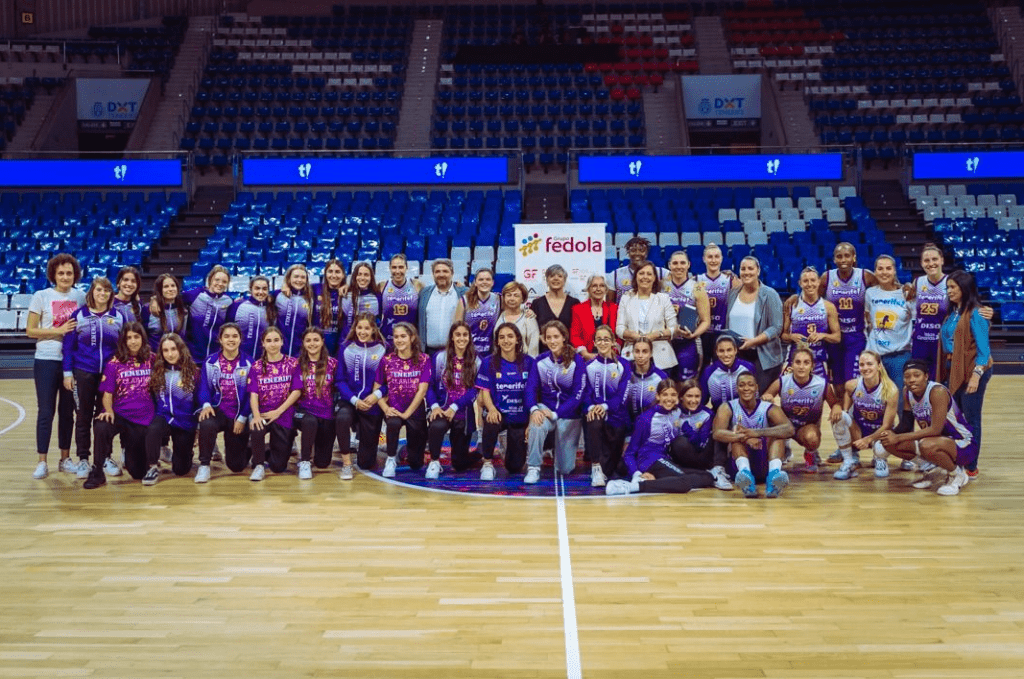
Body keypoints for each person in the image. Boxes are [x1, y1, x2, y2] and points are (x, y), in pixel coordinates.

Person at [877, 360, 976, 496]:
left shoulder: (937, 392)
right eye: (907, 376)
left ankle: (957, 475)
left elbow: (935, 430)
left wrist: (897, 437)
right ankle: (932, 470)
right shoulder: (907, 392)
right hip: (935, 440)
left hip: (964, 443)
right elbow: (906, 424)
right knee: (889, 443)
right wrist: (884, 436)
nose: (911, 380)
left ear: (926, 376)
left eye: (916, 375)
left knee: (926, 444)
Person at [27, 253, 86, 479]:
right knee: (46, 411)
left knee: (67, 412)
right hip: (46, 360)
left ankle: (65, 459)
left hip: (71, 362)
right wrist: (58, 331)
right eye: (61, 273)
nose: (65, 277)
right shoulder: (41, 296)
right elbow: (31, 330)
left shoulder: (81, 296)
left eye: (69, 273)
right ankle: (42, 461)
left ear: (75, 275)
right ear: (53, 274)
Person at [63, 277, 127, 479]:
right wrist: (67, 372)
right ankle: (83, 459)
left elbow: (124, 346)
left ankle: (105, 457)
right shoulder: (79, 315)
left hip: (108, 375)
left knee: (105, 416)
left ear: (111, 294)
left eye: (106, 290)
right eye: (99, 290)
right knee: (82, 416)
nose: (102, 293)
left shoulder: (118, 316)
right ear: (92, 292)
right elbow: (68, 346)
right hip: (83, 372)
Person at [606, 379, 716, 495]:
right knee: (684, 482)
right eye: (665, 394)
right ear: (658, 396)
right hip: (649, 461)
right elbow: (629, 453)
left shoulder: (676, 412)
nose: (669, 399)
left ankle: (659, 481)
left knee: (707, 477)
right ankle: (633, 486)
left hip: (665, 460)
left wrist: (686, 426)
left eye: (673, 394)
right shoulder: (646, 419)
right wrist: (636, 473)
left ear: (677, 397)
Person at [86, 323, 155, 488]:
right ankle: (97, 471)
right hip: (120, 415)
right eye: (128, 338)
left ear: (142, 338)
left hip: (143, 419)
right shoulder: (114, 363)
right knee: (101, 425)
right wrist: (108, 410)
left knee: (137, 473)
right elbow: (107, 393)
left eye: (136, 337)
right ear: (123, 341)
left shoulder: (152, 359)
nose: (133, 341)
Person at [938, 270, 991, 477]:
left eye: (953, 287)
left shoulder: (976, 313)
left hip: (972, 370)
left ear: (965, 288)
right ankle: (959, 457)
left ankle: (971, 466)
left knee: (971, 418)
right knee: (956, 418)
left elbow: (984, 351)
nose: (949, 291)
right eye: (948, 287)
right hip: (954, 368)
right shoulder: (953, 312)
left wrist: (976, 376)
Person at [712, 372, 795, 498]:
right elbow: (717, 433)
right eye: (742, 385)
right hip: (738, 466)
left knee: (778, 435)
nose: (746, 388)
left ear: (756, 388)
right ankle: (746, 478)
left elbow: (789, 429)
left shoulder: (768, 408)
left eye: (750, 385)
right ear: (736, 388)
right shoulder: (728, 407)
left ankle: (774, 477)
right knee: (735, 436)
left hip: (765, 464)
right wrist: (745, 437)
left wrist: (757, 433)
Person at [524, 320, 587, 484]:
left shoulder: (577, 361)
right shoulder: (540, 361)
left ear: (564, 337)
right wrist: (534, 409)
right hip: (545, 408)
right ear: (544, 339)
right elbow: (530, 388)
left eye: (556, 337)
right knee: (537, 421)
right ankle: (533, 467)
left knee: (565, 469)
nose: (552, 341)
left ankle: (554, 446)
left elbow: (578, 395)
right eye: (548, 337)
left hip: (569, 414)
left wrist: (556, 414)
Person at [476, 322, 535, 480]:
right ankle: (487, 463)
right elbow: (485, 390)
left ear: (517, 339)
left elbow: (534, 394)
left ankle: (509, 447)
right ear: (497, 341)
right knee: (491, 421)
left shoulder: (529, 362)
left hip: (520, 417)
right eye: (501, 337)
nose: (506, 340)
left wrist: (530, 423)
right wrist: (491, 408)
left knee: (514, 467)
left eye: (510, 336)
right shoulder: (488, 362)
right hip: (499, 413)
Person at [829, 350, 900, 480]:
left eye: (869, 364)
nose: (865, 368)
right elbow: (846, 408)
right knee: (839, 416)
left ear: (879, 366)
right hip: (859, 431)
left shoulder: (891, 390)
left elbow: (887, 425)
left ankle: (880, 459)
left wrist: (868, 439)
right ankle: (849, 460)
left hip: (880, 434)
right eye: (862, 365)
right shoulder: (852, 385)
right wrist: (841, 410)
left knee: (882, 451)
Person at [761, 347, 835, 472]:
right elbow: (765, 399)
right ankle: (780, 451)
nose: (801, 366)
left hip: (805, 428)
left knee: (812, 437)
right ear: (791, 365)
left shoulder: (821, 384)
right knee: (771, 425)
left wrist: (837, 407)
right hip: (785, 426)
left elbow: (835, 403)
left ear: (812, 366)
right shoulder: (782, 381)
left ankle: (810, 454)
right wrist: (767, 397)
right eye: (798, 362)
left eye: (806, 363)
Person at [196, 322, 254, 481]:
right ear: (220, 340)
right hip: (218, 409)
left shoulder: (249, 363)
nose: (231, 340)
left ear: (240, 339)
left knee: (236, 466)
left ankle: (253, 448)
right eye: (226, 336)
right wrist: (206, 404)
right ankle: (204, 465)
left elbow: (251, 395)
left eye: (235, 336)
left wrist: (243, 417)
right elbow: (203, 387)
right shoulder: (210, 361)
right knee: (206, 422)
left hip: (238, 414)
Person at [375, 322, 432, 478]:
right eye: (396, 337)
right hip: (394, 408)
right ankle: (391, 458)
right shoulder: (386, 360)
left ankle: (404, 451)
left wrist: (407, 414)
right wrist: (385, 408)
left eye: (403, 336)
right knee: (393, 423)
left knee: (416, 463)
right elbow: (376, 389)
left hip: (415, 411)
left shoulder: (424, 359)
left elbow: (422, 390)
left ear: (412, 338)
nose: (399, 340)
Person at [426, 321, 481, 477]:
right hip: (442, 410)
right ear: (451, 337)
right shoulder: (439, 358)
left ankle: (481, 452)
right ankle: (434, 462)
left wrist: (455, 407)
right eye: (457, 335)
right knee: (436, 426)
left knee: (459, 464)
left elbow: (474, 391)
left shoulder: (477, 361)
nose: (461, 338)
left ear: (469, 337)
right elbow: (429, 386)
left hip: (463, 414)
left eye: (465, 335)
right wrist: (434, 406)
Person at [247, 326, 302, 481]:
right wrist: (256, 416)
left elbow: (297, 391)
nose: (273, 344)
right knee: (257, 427)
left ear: (282, 342)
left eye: (276, 340)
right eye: (269, 340)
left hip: (283, 414)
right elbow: (253, 394)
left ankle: (261, 449)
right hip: (264, 413)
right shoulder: (256, 366)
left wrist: (278, 412)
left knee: (278, 467)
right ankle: (258, 465)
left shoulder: (293, 363)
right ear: (263, 343)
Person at [335, 313, 387, 477]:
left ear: (374, 330)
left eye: (367, 328)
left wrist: (376, 395)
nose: (362, 332)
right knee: (342, 418)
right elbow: (339, 380)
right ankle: (346, 463)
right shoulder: (346, 348)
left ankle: (364, 441)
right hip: (350, 401)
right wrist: (354, 400)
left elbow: (391, 380)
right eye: (359, 328)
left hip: (372, 404)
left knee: (366, 464)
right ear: (354, 328)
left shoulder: (384, 349)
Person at [144, 333, 199, 484]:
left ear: (181, 349)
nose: (170, 354)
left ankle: (186, 453)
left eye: (173, 349)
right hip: (164, 417)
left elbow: (199, 401)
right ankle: (152, 467)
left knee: (181, 470)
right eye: (165, 350)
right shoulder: (158, 371)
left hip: (185, 422)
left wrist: (197, 429)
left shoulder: (194, 372)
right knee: (153, 428)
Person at [820, 242, 876, 386]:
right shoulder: (827, 277)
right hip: (834, 337)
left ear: (854, 257)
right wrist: (795, 297)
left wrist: (904, 287)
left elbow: (886, 287)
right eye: (839, 256)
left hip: (856, 336)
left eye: (847, 256)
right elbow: (812, 297)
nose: (843, 260)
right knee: (837, 382)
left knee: (853, 381)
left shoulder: (865, 276)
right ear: (834, 259)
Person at [726, 256, 784, 393]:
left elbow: (776, 327)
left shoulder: (770, 294)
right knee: (738, 396)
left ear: (758, 271)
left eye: (750, 268)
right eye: (743, 269)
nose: (746, 272)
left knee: (756, 397)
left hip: (763, 357)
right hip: (737, 355)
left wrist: (753, 341)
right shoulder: (733, 293)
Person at [582, 324, 630, 487]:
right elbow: (585, 392)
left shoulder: (623, 365)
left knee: (613, 469)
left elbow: (622, 395)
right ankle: (595, 468)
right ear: (594, 343)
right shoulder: (589, 366)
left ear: (613, 342)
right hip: (597, 415)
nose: (602, 343)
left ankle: (604, 467)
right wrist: (591, 407)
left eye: (606, 339)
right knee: (593, 419)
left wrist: (605, 406)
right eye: (599, 340)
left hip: (617, 416)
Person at [865, 255, 914, 399]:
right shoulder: (870, 293)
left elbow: (916, 320)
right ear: (875, 271)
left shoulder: (906, 293)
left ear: (894, 271)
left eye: (888, 268)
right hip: (875, 356)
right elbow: (868, 318)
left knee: (899, 400)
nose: (884, 272)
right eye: (880, 269)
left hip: (900, 356)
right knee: (875, 399)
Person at [294, 327, 339, 480]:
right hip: (304, 412)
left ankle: (315, 451)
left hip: (326, 414)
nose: (312, 343)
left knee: (322, 463)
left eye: (316, 340)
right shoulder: (296, 364)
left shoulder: (333, 364)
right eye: (308, 340)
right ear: (303, 343)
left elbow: (339, 387)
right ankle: (305, 461)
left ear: (322, 342)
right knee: (310, 422)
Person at [616, 260, 677, 372]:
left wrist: (656, 334)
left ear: (654, 278)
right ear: (635, 277)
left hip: (661, 356)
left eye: (649, 274)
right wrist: (634, 336)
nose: (645, 277)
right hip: (632, 354)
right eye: (641, 273)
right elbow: (619, 328)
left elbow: (674, 328)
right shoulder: (626, 298)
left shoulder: (663, 298)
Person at [781, 267, 841, 378]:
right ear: (800, 283)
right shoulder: (791, 305)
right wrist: (791, 337)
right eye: (805, 281)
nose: (809, 284)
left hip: (818, 359)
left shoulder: (828, 307)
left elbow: (837, 337)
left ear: (819, 282)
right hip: (794, 359)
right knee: (785, 388)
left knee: (821, 389)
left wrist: (822, 335)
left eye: (813, 280)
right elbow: (783, 335)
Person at [663, 249, 711, 380]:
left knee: (685, 383)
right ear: (669, 265)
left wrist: (693, 335)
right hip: (665, 341)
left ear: (688, 264)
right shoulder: (661, 286)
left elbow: (706, 321)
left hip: (688, 343)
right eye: (675, 263)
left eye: (682, 263)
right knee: (665, 382)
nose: (679, 266)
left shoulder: (697, 288)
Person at [697, 243, 740, 368]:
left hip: (724, 332)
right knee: (703, 368)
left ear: (721, 258)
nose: (713, 260)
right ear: (704, 259)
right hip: (703, 333)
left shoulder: (731, 280)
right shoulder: (697, 280)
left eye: (716, 256)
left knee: (724, 366)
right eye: (710, 257)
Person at [182, 265, 232, 363]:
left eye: (224, 281)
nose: (220, 284)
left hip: (216, 357)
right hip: (193, 356)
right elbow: (172, 297)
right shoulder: (195, 294)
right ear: (210, 280)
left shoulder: (228, 301)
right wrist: (155, 300)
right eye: (217, 280)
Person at [419, 258, 466, 353]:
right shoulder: (424, 293)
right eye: (437, 271)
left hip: (455, 351)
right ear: (433, 274)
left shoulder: (463, 293)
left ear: (452, 273)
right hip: (429, 352)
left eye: (445, 271)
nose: (441, 275)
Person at [531, 264, 580, 354]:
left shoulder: (574, 303)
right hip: (545, 354)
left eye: (560, 276)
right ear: (547, 280)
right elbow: (532, 331)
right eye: (552, 276)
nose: (556, 278)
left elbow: (579, 330)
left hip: (569, 354)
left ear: (564, 280)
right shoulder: (537, 304)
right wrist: (540, 337)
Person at [700, 334, 756, 409]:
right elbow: (702, 401)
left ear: (735, 350)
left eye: (729, 350)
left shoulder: (748, 367)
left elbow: (755, 396)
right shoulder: (709, 371)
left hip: (744, 412)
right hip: (719, 413)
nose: (726, 355)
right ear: (716, 352)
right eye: (721, 351)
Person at [570, 274, 618, 361]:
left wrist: (612, 351)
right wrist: (585, 354)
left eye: (602, 286)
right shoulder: (578, 309)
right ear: (588, 289)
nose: (598, 289)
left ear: (606, 290)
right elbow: (575, 336)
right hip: (586, 356)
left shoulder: (614, 308)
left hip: (610, 356)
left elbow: (618, 335)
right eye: (594, 286)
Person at [226, 275, 274, 360]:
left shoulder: (271, 309)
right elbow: (226, 332)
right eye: (257, 288)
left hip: (262, 360)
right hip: (238, 360)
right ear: (250, 289)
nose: (261, 292)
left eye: (264, 289)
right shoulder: (237, 306)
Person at [455, 267, 500, 358]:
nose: (484, 282)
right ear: (475, 283)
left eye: (488, 279)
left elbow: (514, 310)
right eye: (481, 279)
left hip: (492, 352)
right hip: (469, 351)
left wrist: (527, 311)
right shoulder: (464, 300)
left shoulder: (498, 299)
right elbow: (457, 327)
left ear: (492, 282)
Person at [379, 253, 422, 346]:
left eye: (401, 267)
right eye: (394, 267)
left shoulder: (416, 285)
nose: (397, 271)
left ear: (407, 268)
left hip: (411, 339)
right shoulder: (382, 286)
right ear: (390, 268)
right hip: (388, 339)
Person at [623, 337, 669, 425]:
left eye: (645, 352)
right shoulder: (625, 373)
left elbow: (666, 405)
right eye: (637, 351)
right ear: (633, 352)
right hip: (627, 425)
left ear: (651, 353)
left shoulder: (661, 377)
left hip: (651, 425)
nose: (640, 356)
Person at [609, 236, 668, 302]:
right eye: (633, 250)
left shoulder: (661, 273)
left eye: (641, 250)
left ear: (646, 253)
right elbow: (610, 304)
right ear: (628, 252)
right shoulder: (615, 275)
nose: (637, 253)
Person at [274, 263, 315, 357]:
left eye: (303, 277)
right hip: (279, 350)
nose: (299, 280)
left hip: (299, 351)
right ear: (289, 278)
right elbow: (259, 298)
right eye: (296, 277)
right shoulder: (278, 295)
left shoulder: (310, 298)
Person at [495, 280, 540, 356]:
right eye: (509, 295)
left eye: (516, 295)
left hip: (523, 362)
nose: (512, 298)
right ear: (504, 297)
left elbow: (533, 349)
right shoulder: (498, 315)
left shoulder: (529, 317)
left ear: (522, 299)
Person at [313, 259, 347, 354]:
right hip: (316, 346)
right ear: (325, 274)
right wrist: (286, 284)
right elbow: (296, 287)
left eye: (337, 272)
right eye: (330, 271)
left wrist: (348, 287)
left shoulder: (347, 293)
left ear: (343, 275)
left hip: (339, 345)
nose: (333, 275)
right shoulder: (315, 289)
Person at [340, 261, 382, 339]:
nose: (362, 278)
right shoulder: (346, 294)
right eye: (359, 274)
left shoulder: (377, 296)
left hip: (369, 339)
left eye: (366, 275)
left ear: (371, 277)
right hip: (347, 339)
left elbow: (377, 322)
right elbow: (344, 321)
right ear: (354, 276)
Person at [148, 273, 187, 352]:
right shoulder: (148, 309)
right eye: (166, 286)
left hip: (177, 355)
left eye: (173, 286)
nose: (171, 289)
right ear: (160, 290)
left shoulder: (184, 309)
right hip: (155, 356)